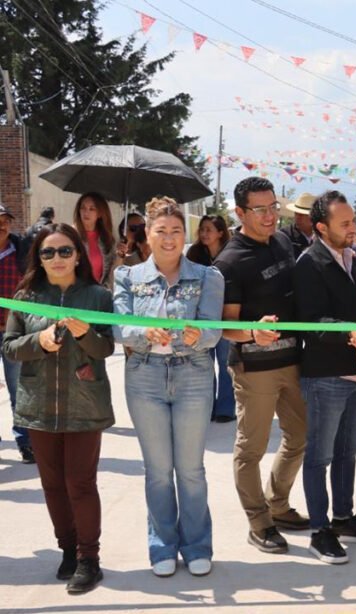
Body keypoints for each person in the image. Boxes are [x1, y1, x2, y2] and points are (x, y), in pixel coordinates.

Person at [113, 198, 225, 577]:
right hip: (144, 377)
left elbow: (213, 330)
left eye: (176, 231)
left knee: (190, 469)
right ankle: (162, 546)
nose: (169, 238)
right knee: (158, 470)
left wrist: (198, 335)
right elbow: (119, 327)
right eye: (161, 231)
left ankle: (196, 545)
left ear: (185, 234)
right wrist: (143, 331)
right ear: (148, 234)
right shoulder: (127, 277)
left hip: (193, 376)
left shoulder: (208, 277)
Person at [3, 223, 115, 594]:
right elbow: (9, 347)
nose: (57, 258)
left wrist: (85, 334)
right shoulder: (26, 296)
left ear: (78, 255)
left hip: (85, 402)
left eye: (65, 250)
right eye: (48, 252)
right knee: (52, 485)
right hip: (38, 404)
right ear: (38, 258)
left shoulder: (98, 296)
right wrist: (38, 340)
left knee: (79, 483)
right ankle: (67, 550)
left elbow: (106, 349)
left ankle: (89, 559)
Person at [213, 177, 309, 554]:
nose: (270, 216)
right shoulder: (230, 261)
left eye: (273, 208)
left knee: (300, 436)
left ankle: (278, 504)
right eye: (260, 210)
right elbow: (225, 327)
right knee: (250, 449)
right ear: (240, 212)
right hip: (254, 369)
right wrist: (252, 332)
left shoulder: (282, 241)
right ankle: (259, 521)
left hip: (293, 360)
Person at [292, 191, 356, 564]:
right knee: (320, 455)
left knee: (349, 450)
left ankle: (344, 518)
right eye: (344, 223)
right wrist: (350, 331)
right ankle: (320, 530)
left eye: (353, 221)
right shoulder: (308, 264)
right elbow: (311, 321)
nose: (352, 228)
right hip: (325, 375)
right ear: (321, 227)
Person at [186, 215, 236, 422]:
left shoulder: (231, 254)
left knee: (225, 363)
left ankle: (225, 408)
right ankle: (207, 408)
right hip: (201, 318)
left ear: (220, 232)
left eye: (209, 229)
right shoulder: (193, 254)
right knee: (204, 364)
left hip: (225, 316)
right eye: (202, 229)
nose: (204, 233)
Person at [0, 203, 32, 463]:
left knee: (18, 390)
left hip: (13, 332)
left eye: (5, 220)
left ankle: (25, 442)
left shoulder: (21, 252)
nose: (2, 225)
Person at [73, 193, 116, 287]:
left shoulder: (106, 239)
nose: (86, 212)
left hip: (97, 292)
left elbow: (110, 273)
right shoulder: (71, 235)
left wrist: (120, 256)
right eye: (83, 208)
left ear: (100, 213)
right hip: (74, 292)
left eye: (92, 209)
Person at [282, 193, 316, 260]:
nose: (297, 217)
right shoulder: (284, 235)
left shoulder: (322, 237)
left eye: (301, 215)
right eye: (296, 213)